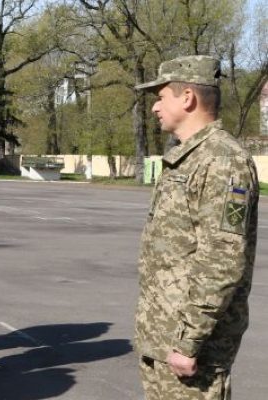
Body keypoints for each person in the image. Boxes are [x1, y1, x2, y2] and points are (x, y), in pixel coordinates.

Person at [134, 55, 259, 399]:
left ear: (187, 97)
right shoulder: (187, 159)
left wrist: (188, 342)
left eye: (161, 96)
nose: (155, 107)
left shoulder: (222, 160)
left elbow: (222, 261)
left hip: (193, 354)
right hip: (165, 340)